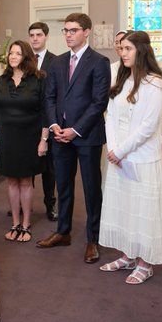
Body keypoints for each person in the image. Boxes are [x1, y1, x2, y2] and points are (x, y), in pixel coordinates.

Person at [36, 13, 111, 263]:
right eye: (66, 30)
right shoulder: (57, 62)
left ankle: (93, 238)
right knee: (64, 185)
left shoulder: (99, 61)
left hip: (87, 135)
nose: (68, 34)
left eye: (73, 30)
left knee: (91, 188)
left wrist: (75, 130)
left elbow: (98, 101)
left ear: (86, 31)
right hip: (60, 135)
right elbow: (50, 98)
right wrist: (56, 125)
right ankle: (63, 232)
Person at [99, 31, 162, 283]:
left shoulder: (155, 83)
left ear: (141, 50)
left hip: (142, 157)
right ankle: (128, 255)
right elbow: (111, 117)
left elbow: (148, 126)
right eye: (121, 48)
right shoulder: (123, 79)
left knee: (143, 209)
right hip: (119, 155)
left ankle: (145, 262)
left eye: (127, 48)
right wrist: (113, 148)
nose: (123, 52)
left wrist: (121, 150)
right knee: (125, 208)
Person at [0, 40, 48, 242]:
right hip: (7, 137)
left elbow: (45, 112)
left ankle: (26, 224)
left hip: (30, 137)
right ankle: (15, 222)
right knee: (11, 180)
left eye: (18, 53)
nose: (13, 57)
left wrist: (44, 140)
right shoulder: (2, 80)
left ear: (26, 57)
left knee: (25, 180)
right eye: (11, 53)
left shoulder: (38, 79)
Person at [28, 21, 58, 221]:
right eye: (32, 35)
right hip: (27, 121)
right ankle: (23, 204)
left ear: (46, 36)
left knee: (49, 168)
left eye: (39, 35)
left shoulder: (56, 61)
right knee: (25, 166)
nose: (35, 38)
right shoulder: (23, 60)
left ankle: (50, 204)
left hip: (47, 118)